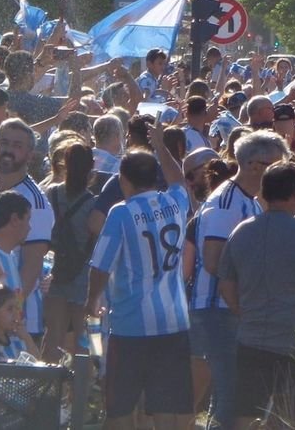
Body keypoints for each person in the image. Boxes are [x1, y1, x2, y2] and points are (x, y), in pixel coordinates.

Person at [218, 162, 295, 429]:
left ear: (264, 193)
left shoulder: (241, 232)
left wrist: (242, 311)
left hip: (252, 337)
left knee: (246, 414)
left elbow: (225, 283)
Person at [87, 127, 193, 430]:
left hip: (132, 326)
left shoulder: (121, 212)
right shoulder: (175, 203)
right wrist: (160, 145)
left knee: (120, 407)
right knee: (166, 408)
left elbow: (100, 265)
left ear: (123, 180)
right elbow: (178, 180)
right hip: (174, 322)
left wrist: (92, 299)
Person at [189, 130, 288, 430]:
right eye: (277, 167)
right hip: (218, 309)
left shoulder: (250, 201)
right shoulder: (228, 203)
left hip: (231, 309)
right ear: (255, 166)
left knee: (233, 393)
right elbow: (212, 260)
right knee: (230, 392)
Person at [0, 118, 54, 344]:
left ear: (30, 155)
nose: (9, 150)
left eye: (17, 146)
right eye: (4, 143)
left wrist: (10, 315)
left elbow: (32, 265)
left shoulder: (34, 200)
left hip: (17, 322)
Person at [43, 141, 95, 361]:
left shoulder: (51, 194)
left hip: (56, 270)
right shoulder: (93, 204)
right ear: (90, 170)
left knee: (53, 336)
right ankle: (82, 390)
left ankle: (47, 386)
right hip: (83, 274)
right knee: (84, 341)